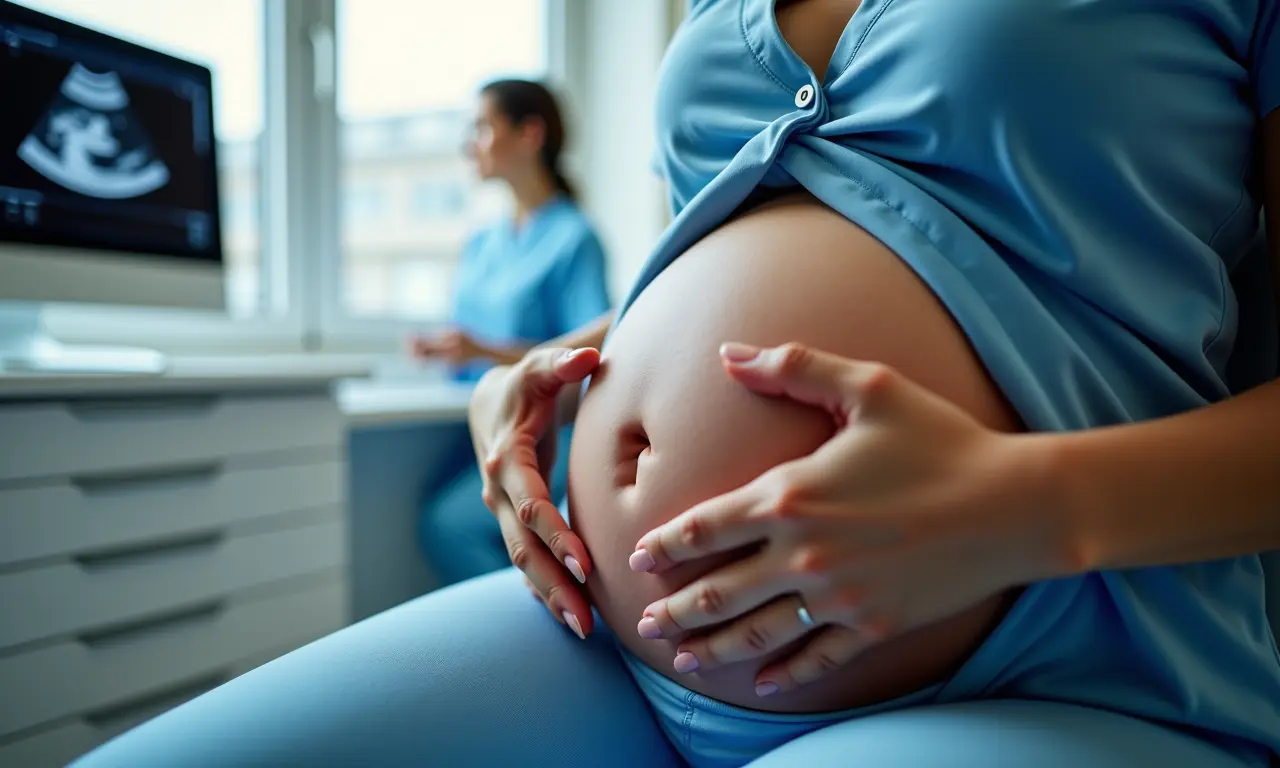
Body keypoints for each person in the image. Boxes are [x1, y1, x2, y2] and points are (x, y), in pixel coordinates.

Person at [74, 1, 1280, 767]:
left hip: (1062, 658)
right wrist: (536, 379)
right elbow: (760, 249)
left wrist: (1016, 505)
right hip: (606, 627)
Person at [409, 78, 610, 586]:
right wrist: (450, 349)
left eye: (482, 128)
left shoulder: (574, 239)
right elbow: (473, 338)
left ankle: (541, 626)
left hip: (550, 431)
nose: (468, 144)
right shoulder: (481, 243)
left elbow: (588, 359)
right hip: (478, 419)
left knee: (447, 526)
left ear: (529, 134)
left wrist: (482, 350)